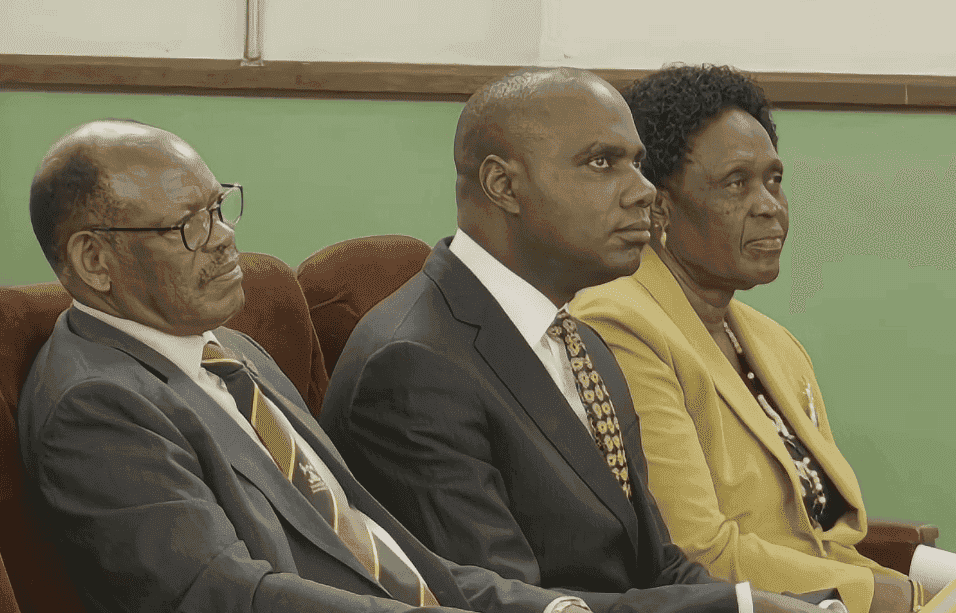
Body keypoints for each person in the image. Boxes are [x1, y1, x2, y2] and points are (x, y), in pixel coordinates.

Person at [20, 119, 605, 613]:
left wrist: (543, 606)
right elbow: (230, 595)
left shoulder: (231, 351)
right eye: (188, 225)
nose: (225, 238)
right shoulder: (96, 404)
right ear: (95, 260)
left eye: (219, 207)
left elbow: (376, 548)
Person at [321, 68, 834, 613]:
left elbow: (659, 564)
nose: (644, 193)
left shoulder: (581, 342)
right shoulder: (413, 366)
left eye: (636, 163)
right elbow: (505, 602)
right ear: (503, 185)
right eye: (602, 163)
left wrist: (787, 606)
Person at [569, 64, 956, 613]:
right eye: (736, 183)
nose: (769, 205)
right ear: (661, 207)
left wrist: (951, 598)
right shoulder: (618, 323)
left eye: (774, 179)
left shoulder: (772, 343)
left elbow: (823, 540)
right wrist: (917, 602)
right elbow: (698, 552)